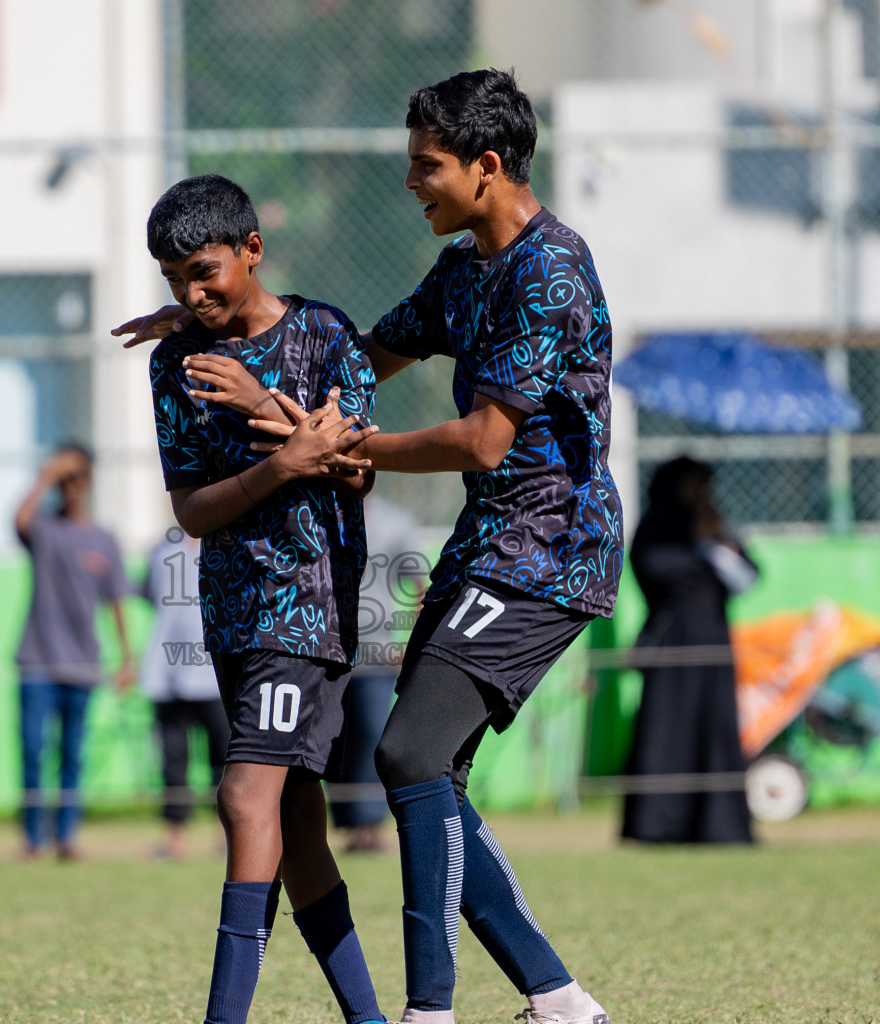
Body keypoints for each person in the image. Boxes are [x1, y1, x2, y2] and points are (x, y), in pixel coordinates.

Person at [117, 69, 620, 1024]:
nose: (410, 182)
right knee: (424, 769)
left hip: (553, 549)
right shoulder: (467, 265)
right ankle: (557, 1001)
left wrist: (342, 447)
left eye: (425, 165)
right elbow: (360, 353)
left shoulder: (549, 269)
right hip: (488, 545)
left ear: (485, 165)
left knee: (409, 754)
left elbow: (480, 440)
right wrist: (210, 313)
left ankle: (428, 1012)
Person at [144, 174, 386, 1024]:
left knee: (244, 797)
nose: (192, 292)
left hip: (307, 609)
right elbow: (192, 510)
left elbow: (355, 468)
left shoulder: (322, 334)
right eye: (175, 280)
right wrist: (278, 465)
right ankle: (370, 1018)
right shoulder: (175, 360)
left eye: (205, 270)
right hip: (233, 614)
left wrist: (272, 426)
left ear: (252, 250)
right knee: (298, 824)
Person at [622, 457, 756, 845]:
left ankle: (719, 827)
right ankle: (659, 826)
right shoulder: (656, 526)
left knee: (715, 730)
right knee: (667, 732)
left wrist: (714, 544)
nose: (700, 494)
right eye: (692, 485)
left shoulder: (714, 524)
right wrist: (698, 552)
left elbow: (748, 575)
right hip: (671, 646)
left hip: (714, 646)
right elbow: (655, 570)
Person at [13, 445, 131, 860]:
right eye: (65, 479)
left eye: (77, 477)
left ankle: (65, 836)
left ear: (90, 481)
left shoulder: (103, 538)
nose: (71, 486)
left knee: (72, 755)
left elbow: (117, 603)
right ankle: (32, 838)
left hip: (83, 664)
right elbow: (18, 520)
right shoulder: (44, 529)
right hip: (37, 661)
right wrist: (46, 475)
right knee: (32, 750)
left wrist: (126, 658)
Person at [329, 494, 426, 853]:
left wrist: (410, 643)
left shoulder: (394, 521)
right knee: (331, 743)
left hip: (377, 653)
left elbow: (419, 585)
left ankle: (370, 825)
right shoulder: (320, 515)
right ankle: (348, 825)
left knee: (373, 739)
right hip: (325, 654)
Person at [138, 527, 230, 859]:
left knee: (224, 762)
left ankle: (226, 837)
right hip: (167, 675)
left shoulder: (227, 544)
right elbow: (150, 596)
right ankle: (175, 839)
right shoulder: (159, 551)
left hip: (215, 675)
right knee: (173, 762)